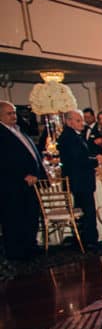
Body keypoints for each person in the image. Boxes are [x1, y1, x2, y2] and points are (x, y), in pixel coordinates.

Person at [0, 101, 46, 260]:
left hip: (30, 182)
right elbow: (5, 161)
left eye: (14, 113)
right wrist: (22, 176)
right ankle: (16, 252)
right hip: (13, 184)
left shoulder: (19, 130)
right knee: (14, 218)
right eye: (9, 113)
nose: (14, 116)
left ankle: (30, 246)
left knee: (31, 215)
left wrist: (40, 172)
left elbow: (31, 153)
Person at [58, 110, 102, 249]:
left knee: (85, 211)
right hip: (80, 181)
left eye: (82, 120)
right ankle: (90, 241)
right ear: (69, 122)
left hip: (81, 180)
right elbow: (79, 160)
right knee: (87, 211)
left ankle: (86, 239)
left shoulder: (74, 136)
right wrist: (96, 161)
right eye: (78, 121)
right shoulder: (69, 137)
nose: (82, 123)